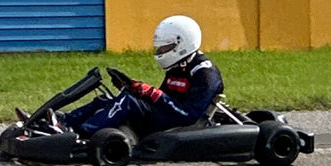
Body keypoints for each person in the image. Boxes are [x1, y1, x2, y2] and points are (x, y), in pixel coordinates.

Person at [60, 15, 223, 137]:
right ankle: (65, 122)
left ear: (182, 44)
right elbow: (164, 97)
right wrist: (135, 88)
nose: (160, 53)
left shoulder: (205, 73)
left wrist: (151, 93)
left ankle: (81, 134)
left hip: (184, 122)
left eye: (164, 49)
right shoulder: (178, 66)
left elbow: (188, 114)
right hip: (168, 115)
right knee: (106, 98)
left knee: (128, 101)